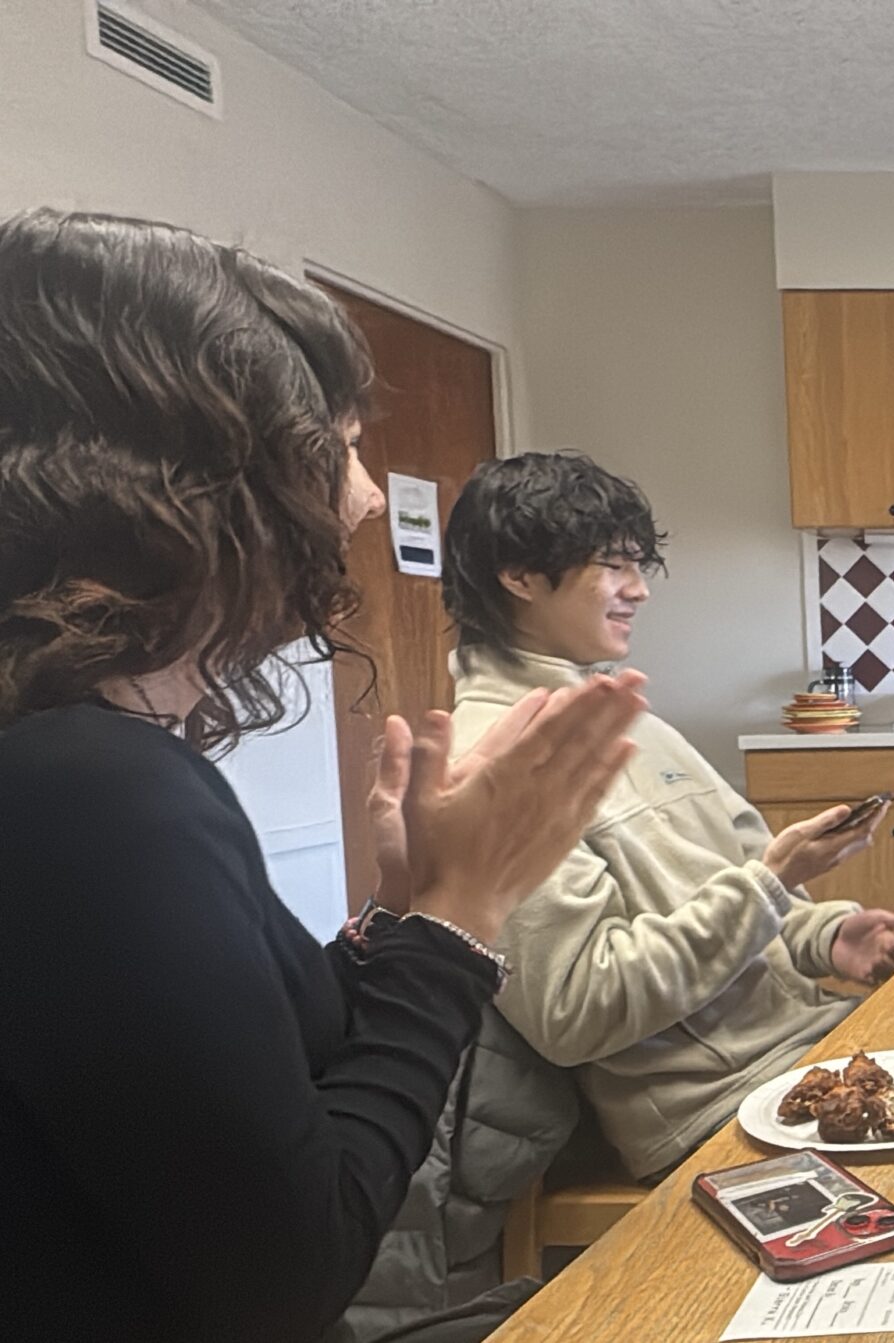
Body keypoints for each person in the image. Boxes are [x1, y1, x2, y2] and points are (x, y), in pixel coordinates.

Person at [0, 209, 647, 1342]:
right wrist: (456, 920)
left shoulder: (76, 766)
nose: (358, 495)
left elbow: (235, 1100)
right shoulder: (89, 788)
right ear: (202, 480)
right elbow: (291, 1269)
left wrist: (397, 922)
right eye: (338, 443)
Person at [439, 453, 894, 1181]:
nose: (638, 589)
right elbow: (575, 1010)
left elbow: (748, 893)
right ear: (519, 573)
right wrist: (767, 888)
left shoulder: (631, 724)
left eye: (639, 565)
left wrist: (824, 935)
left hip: (812, 1046)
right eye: (613, 565)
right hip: (717, 1109)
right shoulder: (492, 759)